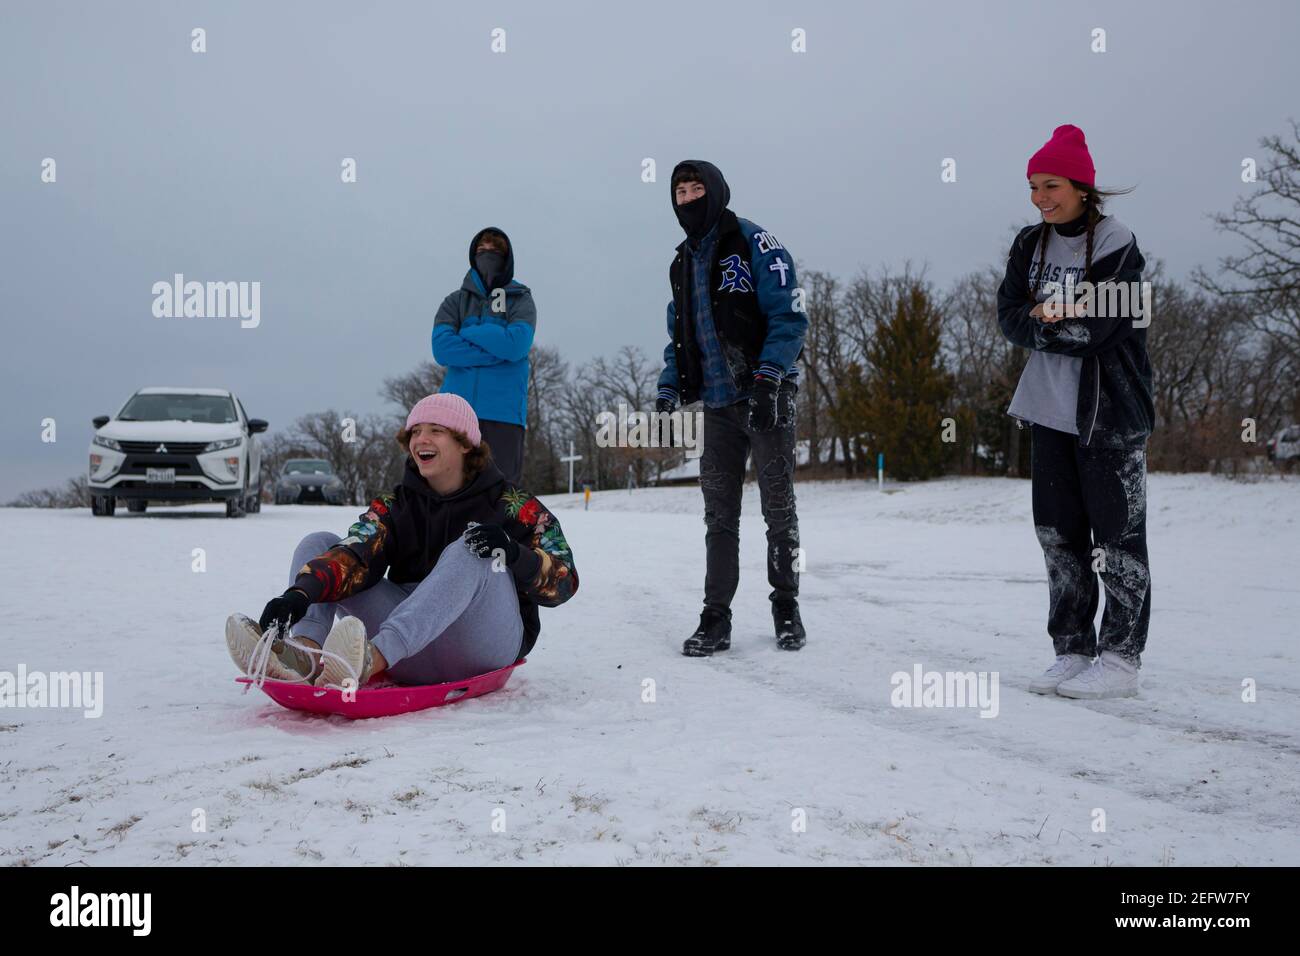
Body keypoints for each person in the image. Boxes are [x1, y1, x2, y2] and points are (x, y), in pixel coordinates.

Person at [224, 393, 577, 688]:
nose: (421, 440)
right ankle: (305, 654)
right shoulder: (397, 504)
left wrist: (513, 554)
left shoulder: (514, 505)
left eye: (436, 431)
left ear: (466, 444)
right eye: (415, 432)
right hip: (413, 652)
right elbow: (356, 552)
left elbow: (565, 582)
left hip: (480, 646)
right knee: (320, 542)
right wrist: (300, 594)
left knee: (476, 546)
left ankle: (369, 659)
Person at [996, 124, 1152, 700]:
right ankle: (1072, 649)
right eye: (1034, 186)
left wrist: (1047, 317)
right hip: (1048, 411)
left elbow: (1103, 327)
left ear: (1083, 186)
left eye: (1052, 185)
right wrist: (1049, 314)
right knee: (1058, 536)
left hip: (1110, 413)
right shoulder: (1027, 244)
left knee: (1117, 540)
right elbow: (1009, 316)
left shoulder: (1117, 242)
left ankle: (1120, 658)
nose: (1041, 198)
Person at [655, 160, 809, 656]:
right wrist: (669, 385)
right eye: (681, 191)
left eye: (698, 187)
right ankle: (715, 618)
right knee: (719, 517)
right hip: (718, 407)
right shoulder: (680, 262)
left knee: (778, 509)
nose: (690, 197)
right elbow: (680, 336)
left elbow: (790, 313)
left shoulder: (754, 241)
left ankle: (787, 606)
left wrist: (769, 376)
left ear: (717, 191)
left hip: (767, 395)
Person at [431, 227, 534, 485]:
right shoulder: (454, 302)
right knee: (450, 486)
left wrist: (469, 331)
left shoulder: (521, 300)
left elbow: (516, 346)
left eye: (495, 251)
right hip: (456, 412)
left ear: (507, 257)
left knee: (502, 492)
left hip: (504, 415)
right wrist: (496, 351)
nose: (488, 255)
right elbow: (442, 349)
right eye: (481, 251)